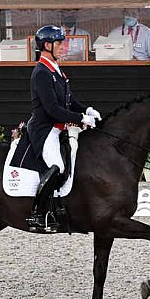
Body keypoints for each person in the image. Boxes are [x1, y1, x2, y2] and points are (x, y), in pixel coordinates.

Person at [25, 25, 101, 232]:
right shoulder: (41, 72)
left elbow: (70, 101)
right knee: (58, 166)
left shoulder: (56, 70)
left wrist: (88, 110)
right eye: (59, 43)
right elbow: (52, 110)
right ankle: (39, 215)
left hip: (60, 127)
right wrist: (80, 118)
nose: (63, 47)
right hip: (45, 129)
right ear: (47, 45)